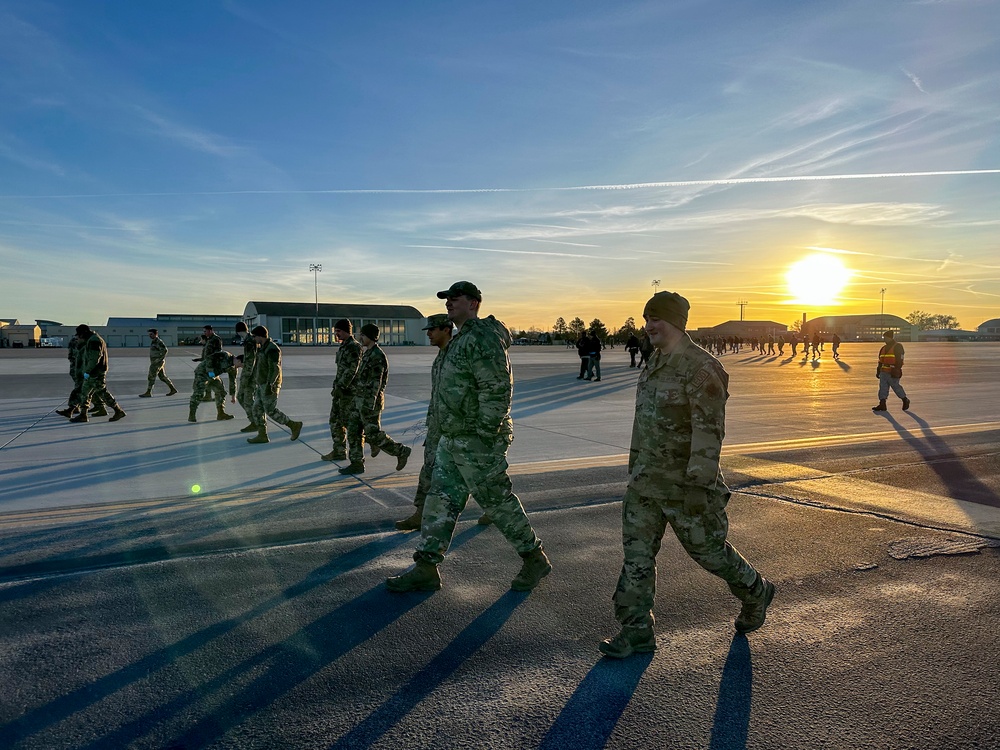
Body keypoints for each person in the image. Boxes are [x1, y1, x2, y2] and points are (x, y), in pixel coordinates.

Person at [599, 290, 775, 659]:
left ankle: (755, 589)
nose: (649, 326)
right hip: (646, 483)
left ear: (676, 322)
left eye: (656, 319)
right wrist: (634, 471)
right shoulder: (656, 361)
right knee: (637, 558)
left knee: (709, 553)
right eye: (646, 319)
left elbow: (709, 433)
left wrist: (698, 486)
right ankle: (636, 631)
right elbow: (644, 425)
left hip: (685, 487)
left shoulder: (700, 367)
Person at [387, 281, 551, 593]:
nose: (449, 303)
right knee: (440, 499)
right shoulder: (460, 340)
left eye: (455, 298)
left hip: (477, 440)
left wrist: (485, 435)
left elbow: (497, 388)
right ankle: (426, 566)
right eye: (447, 299)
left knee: (496, 501)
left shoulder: (482, 337)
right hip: (453, 438)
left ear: (474, 302)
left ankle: (534, 557)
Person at [395, 313, 492, 531]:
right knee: (428, 469)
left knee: (474, 472)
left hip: (460, 428)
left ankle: (495, 508)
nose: (428, 334)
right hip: (438, 427)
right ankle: (421, 513)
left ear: (446, 329)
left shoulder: (460, 354)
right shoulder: (441, 357)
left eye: (432, 329)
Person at [338, 324, 412, 474]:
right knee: (353, 431)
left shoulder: (377, 356)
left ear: (370, 337)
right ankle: (357, 463)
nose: (360, 338)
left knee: (373, 434)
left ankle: (401, 451)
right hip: (358, 400)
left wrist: (369, 405)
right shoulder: (367, 353)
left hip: (368, 403)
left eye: (363, 335)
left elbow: (376, 384)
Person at [246, 325, 303, 444]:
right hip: (261, 384)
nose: (254, 339)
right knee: (257, 409)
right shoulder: (262, 348)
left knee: (270, 410)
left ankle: (293, 425)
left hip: (269, 384)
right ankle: (262, 435)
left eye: (254, 336)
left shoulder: (272, 349)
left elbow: (275, 369)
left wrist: (270, 384)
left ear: (260, 336)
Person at [321, 319, 363, 463]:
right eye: (336, 331)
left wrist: (342, 387)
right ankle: (339, 451)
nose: (336, 334)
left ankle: (367, 446)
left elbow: (352, 370)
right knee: (335, 421)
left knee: (351, 424)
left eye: (338, 331)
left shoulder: (354, 347)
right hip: (339, 391)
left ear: (346, 331)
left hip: (349, 393)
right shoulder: (343, 347)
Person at [69, 324, 127, 423]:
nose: (79, 337)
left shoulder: (94, 341)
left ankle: (118, 410)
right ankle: (83, 415)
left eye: (79, 335)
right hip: (94, 372)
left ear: (84, 333)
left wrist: (87, 371)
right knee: (85, 393)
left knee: (101, 392)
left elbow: (95, 358)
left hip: (95, 372)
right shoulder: (92, 339)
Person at [872, 330, 909, 412]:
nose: (884, 339)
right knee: (883, 388)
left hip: (893, 371)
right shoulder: (883, 348)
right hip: (883, 371)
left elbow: (900, 359)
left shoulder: (898, 346)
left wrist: (897, 369)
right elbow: (880, 360)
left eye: (885, 337)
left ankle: (905, 399)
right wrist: (878, 370)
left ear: (889, 338)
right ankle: (882, 404)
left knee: (896, 387)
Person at [234, 322, 260, 433]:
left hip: (250, 375)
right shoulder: (249, 340)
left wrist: (246, 377)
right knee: (245, 398)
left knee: (244, 398)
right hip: (252, 374)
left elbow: (250, 361)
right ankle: (256, 421)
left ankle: (256, 422)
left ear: (238, 331)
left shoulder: (249, 341)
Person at [139, 329, 178, 398]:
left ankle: (148, 392)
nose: (150, 336)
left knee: (151, 377)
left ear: (155, 334)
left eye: (151, 334)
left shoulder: (158, 341)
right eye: (149, 334)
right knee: (162, 377)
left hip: (156, 363)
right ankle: (173, 389)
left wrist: (159, 359)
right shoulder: (154, 341)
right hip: (157, 362)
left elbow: (165, 350)